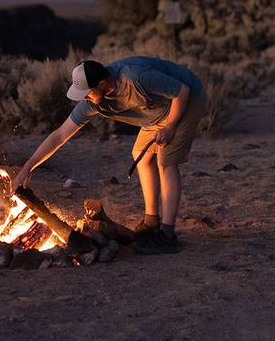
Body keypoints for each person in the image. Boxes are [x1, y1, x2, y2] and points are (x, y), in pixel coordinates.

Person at [11, 57, 207, 255]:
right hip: (155, 112)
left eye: (87, 94)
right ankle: (151, 222)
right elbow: (60, 135)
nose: (84, 99)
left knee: (166, 161)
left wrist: (171, 127)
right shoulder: (93, 102)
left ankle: (167, 235)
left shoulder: (136, 78)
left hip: (186, 100)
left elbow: (182, 91)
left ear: (103, 84)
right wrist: (28, 167)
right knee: (141, 154)